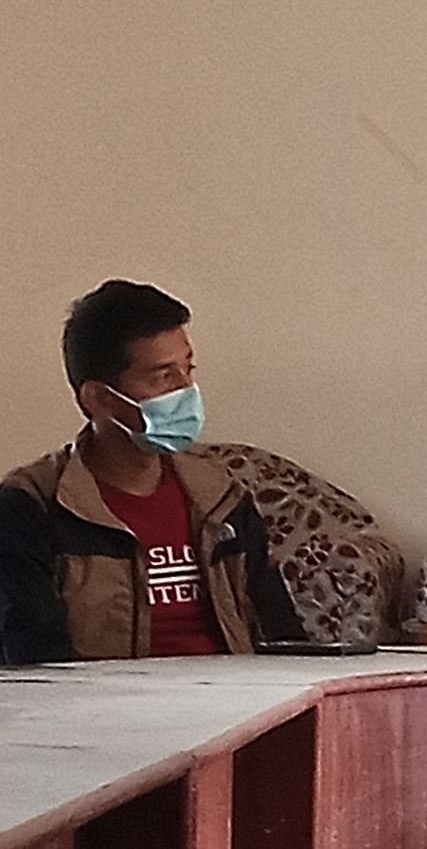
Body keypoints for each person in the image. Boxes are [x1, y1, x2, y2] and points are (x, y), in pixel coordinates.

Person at [0, 280, 305, 663]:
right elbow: (35, 661)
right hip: (107, 699)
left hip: (238, 694)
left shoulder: (222, 497)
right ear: (100, 399)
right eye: (163, 377)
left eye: (187, 369)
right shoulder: (31, 507)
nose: (187, 390)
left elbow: (283, 637)